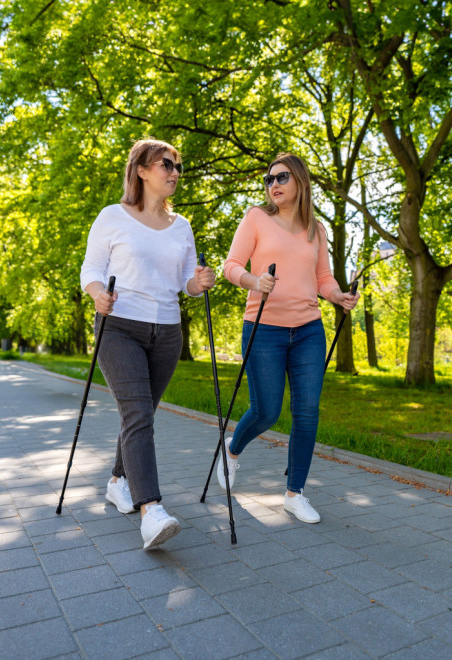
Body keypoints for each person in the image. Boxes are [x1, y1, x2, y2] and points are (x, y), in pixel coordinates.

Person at [80, 138, 215, 550]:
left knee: (140, 415)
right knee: (138, 414)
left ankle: (117, 481)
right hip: (119, 327)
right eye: (165, 164)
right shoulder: (112, 216)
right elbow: (90, 270)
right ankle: (151, 511)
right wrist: (98, 295)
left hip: (167, 332)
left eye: (177, 166)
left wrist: (200, 283)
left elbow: (186, 283)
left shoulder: (182, 226)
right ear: (141, 170)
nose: (174, 172)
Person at [219, 153, 359, 524]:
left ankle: (295, 493)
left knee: (307, 411)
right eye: (269, 180)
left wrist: (338, 296)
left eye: (281, 177)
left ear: (300, 180)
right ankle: (231, 450)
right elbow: (231, 266)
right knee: (266, 411)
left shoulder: (317, 230)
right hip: (263, 327)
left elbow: (323, 278)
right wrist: (255, 281)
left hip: (309, 330)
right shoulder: (256, 217)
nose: (274, 185)